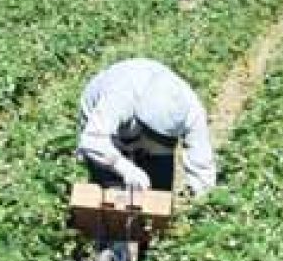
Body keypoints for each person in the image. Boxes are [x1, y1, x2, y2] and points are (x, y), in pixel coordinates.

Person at [75, 58, 215, 195]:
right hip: (106, 126)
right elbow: (92, 141)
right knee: (110, 191)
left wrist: (202, 200)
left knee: (159, 193)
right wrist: (124, 167)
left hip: (133, 119)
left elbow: (202, 166)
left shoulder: (191, 109)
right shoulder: (120, 97)